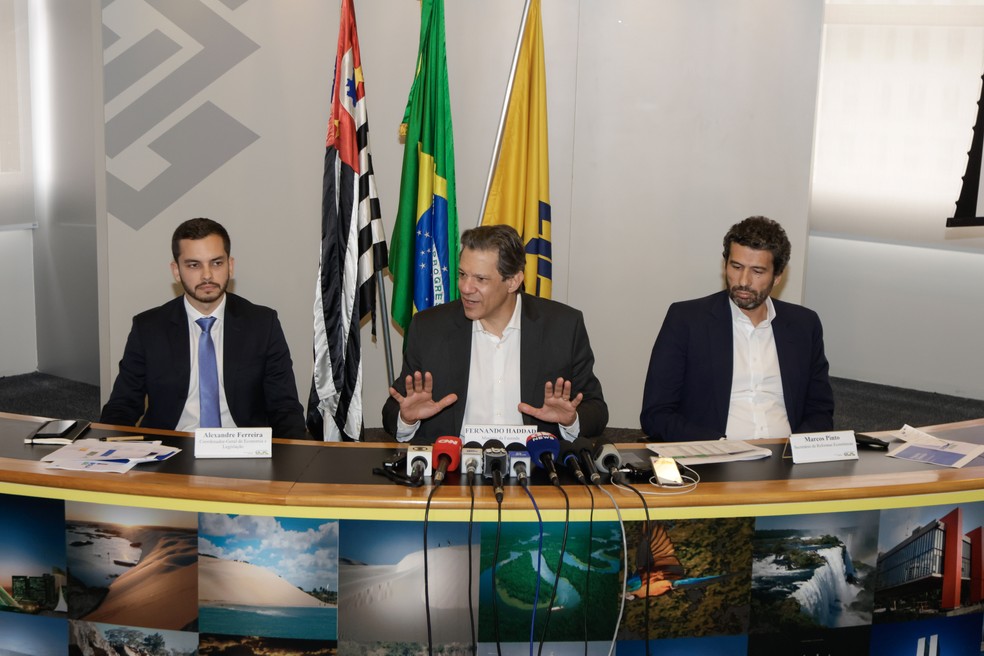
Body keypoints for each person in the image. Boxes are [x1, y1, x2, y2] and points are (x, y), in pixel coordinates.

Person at [383, 225, 608, 444]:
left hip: (537, 469)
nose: (466, 287)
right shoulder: (430, 327)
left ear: (513, 281)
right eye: (462, 274)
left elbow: (596, 409)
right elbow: (396, 407)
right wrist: (407, 419)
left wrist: (571, 421)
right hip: (452, 469)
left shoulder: (563, 327)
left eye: (480, 279)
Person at [100, 218, 307, 438]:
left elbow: (284, 408)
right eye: (193, 265)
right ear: (176, 271)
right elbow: (122, 406)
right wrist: (109, 456)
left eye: (216, 263)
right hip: (169, 451)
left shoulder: (263, 324)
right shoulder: (148, 328)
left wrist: (293, 465)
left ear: (231, 265)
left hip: (243, 450)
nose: (207, 275)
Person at [640, 216, 833, 441]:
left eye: (757, 271)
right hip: (714, 462)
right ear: (725, 265)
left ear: (778, 276)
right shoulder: (686, 320)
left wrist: (796, 450)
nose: (743, 280)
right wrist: (719, 448)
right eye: (736, 266)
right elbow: (656, 414)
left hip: (787, 463)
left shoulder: (804, 325)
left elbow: (820, 410)